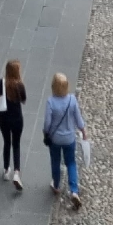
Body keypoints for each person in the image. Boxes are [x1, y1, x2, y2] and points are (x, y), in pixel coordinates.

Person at [43, 72, 87, 209]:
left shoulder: (51, 102)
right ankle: (74, 190)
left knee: (55, 161)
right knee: (71, 163)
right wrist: (83, 132)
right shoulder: (72, 100)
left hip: (55, 139)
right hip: (69, 138)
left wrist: (46, 133)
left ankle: (56, 185)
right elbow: (78, 119)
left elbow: (47, 123)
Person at [0, 58, 26, 190]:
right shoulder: (19, 85)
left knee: (7, 142)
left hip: (4, 118)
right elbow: (23, 100)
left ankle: (6, 170)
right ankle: (16, 173)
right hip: (17, 119)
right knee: (16, 144)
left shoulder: (2, 83)